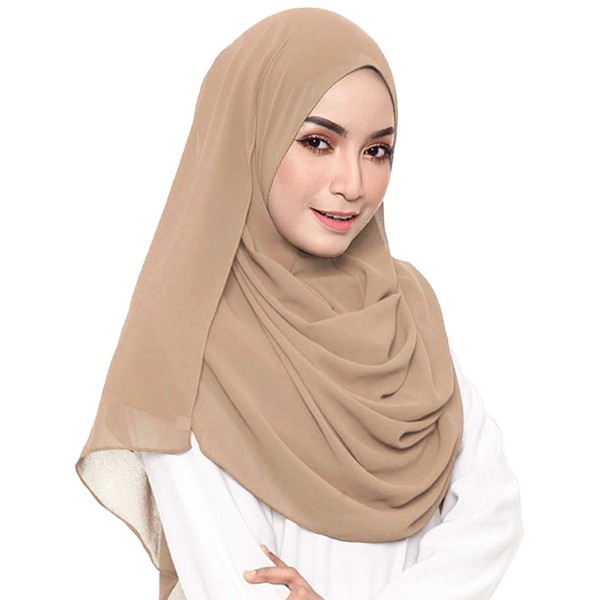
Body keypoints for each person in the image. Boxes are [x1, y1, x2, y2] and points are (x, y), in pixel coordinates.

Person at [75, 8, 524, 600]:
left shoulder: (405, 310)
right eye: (317, 142)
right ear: (248, 137)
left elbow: (492, 511)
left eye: (377, 151)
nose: (353, 184)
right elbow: (233, 579)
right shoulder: (182, 336)